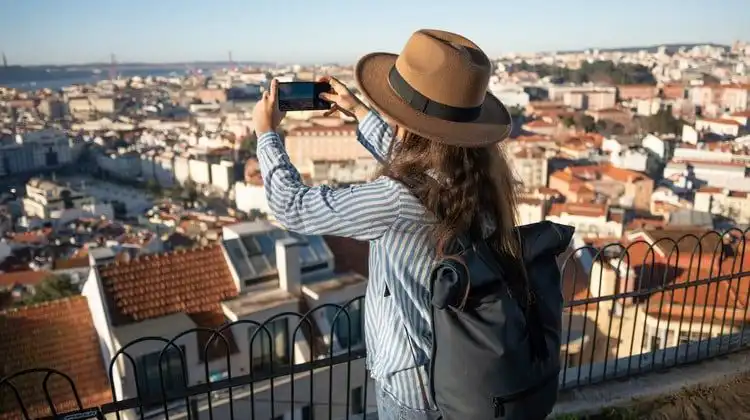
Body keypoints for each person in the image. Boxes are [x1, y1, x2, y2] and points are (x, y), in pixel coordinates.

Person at [253, 29, 517, 420]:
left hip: (413, 384)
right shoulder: (477, 179)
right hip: (462, 368)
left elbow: (292, 206)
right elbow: (418, 170)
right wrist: (358, 112)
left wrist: (267, 134)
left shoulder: (395, 201)